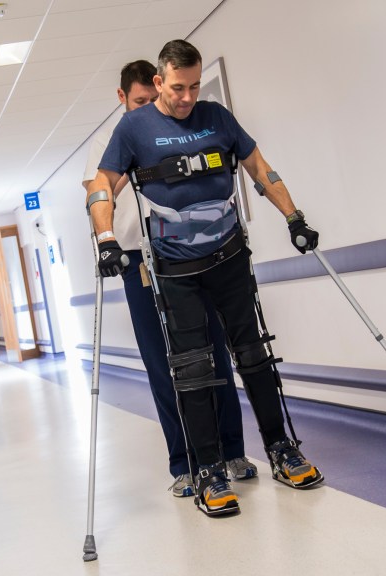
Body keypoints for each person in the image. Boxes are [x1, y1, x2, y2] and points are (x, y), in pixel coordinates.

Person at [86, 40, 324, 517]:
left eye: (194, 86)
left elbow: (258, 167)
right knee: (192, 368)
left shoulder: (216, 116)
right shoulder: (134, 127)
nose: (187, 97)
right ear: (158, 82)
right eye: (178, 87)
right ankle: (208, 471)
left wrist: (293, 216)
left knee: (254, 354)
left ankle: (281, 448)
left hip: (230, 256)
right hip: (175, 270)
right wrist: (107, 238)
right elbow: (101, 185)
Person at [83, 60, 257, 499]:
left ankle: (230, 451)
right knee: (164, 364)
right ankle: (185, 463)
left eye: (152, 99)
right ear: (122, 98)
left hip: (186, 255)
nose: (151, 107)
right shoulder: (109, 139)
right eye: (140, 101)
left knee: (213, 349)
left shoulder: (173, 123)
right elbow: (99, 190)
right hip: (137, 261)